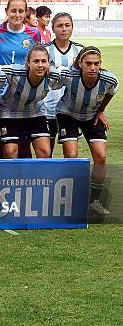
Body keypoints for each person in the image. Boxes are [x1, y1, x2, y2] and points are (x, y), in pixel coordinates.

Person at [56, 46, 118, 215]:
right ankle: (69, 199)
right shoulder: (69, 75)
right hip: (67, 114)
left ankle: (94, 201)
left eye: (96, 64)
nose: (93, 67)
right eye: (88, 63)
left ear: (100, 64)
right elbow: (53, 81)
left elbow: (111, 93)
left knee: (101, 157)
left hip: (92, 116)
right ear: (80, 64)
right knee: (71, 155)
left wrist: (101, 110)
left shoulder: (109, 80)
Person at [0, 45, 63, 158]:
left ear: (49, 63)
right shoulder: (14, 72)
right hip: (10, 113)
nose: (40, 65)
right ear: (28, 63)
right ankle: (12, 176)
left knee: (45, 152)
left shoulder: (52, 77)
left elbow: (70, 76)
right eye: (36, 61)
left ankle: (40, 176)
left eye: (44, 61)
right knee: (10, 152)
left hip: (35, 112)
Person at [44, 12, 84, 151]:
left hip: (71, 111)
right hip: (46, 109)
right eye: (59, 25)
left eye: (67, 25)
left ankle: (69, 174)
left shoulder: (80, 51)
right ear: (53, 28)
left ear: (72, 27)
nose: (64, 29)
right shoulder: (44, 51)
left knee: (71, 154)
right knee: (45, 153)